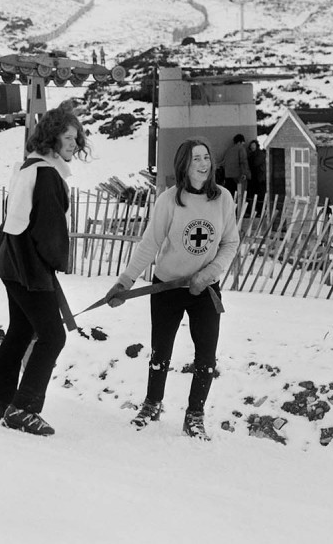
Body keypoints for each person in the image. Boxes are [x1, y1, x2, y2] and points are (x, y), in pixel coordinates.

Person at [103, 137, 239, 440]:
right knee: (160, 349)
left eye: (206, 158)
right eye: (196, 159)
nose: (203, 164)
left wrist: (210, 272)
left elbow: (231, 243)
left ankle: (195, 415)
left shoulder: (223, 199)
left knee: (206, 355)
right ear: (184, 166)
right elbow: (149, 244)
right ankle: (152, 404)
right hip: (167, 286)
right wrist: (124, 282)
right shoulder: (169, 199)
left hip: (206, 289)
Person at [0, 108, 88, 436]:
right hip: (30, 267)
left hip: (13, 263)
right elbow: (48, 229)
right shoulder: (48, 175)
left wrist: (1, 254)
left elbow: (13, 219)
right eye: (68, 137)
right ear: (52, 137)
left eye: (76, 137)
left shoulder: (28, 167)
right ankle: (24, 408)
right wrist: (54, 263)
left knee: (21, 332)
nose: (75, 142)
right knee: (53, 336)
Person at [221, 133, 250, 197]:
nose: (244, 144)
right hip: (237, 177)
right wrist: (245, 173)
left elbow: (223, 163)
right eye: (243, 142)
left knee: (230, 196)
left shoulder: (229, 150)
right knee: (239, 196)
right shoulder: (241, 148)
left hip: (228, 176)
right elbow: (243, 161)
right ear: (240, 142)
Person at [246, 139, 267, 215]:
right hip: (254, 178)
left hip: (260, 179)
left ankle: (261, 211)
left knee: (260, 196)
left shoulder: (260, 154)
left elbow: (255, 163)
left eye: (253, 145)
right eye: (251, 146)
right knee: (254, 195)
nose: (252, 147)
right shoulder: (252, 154)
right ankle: (257, 210)